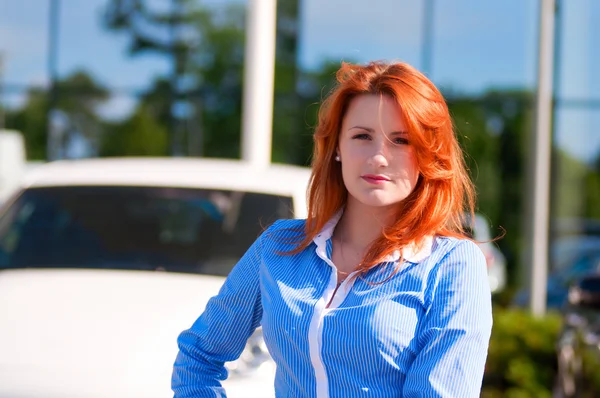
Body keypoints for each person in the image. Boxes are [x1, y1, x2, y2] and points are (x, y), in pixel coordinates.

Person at [172, 60, 493, 397]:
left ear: (428, 154)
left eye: (401, 140)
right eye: (362, 136)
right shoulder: (279, 247)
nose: (379, 157)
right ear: (337, 147)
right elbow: (198, 359)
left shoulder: (453, 265)